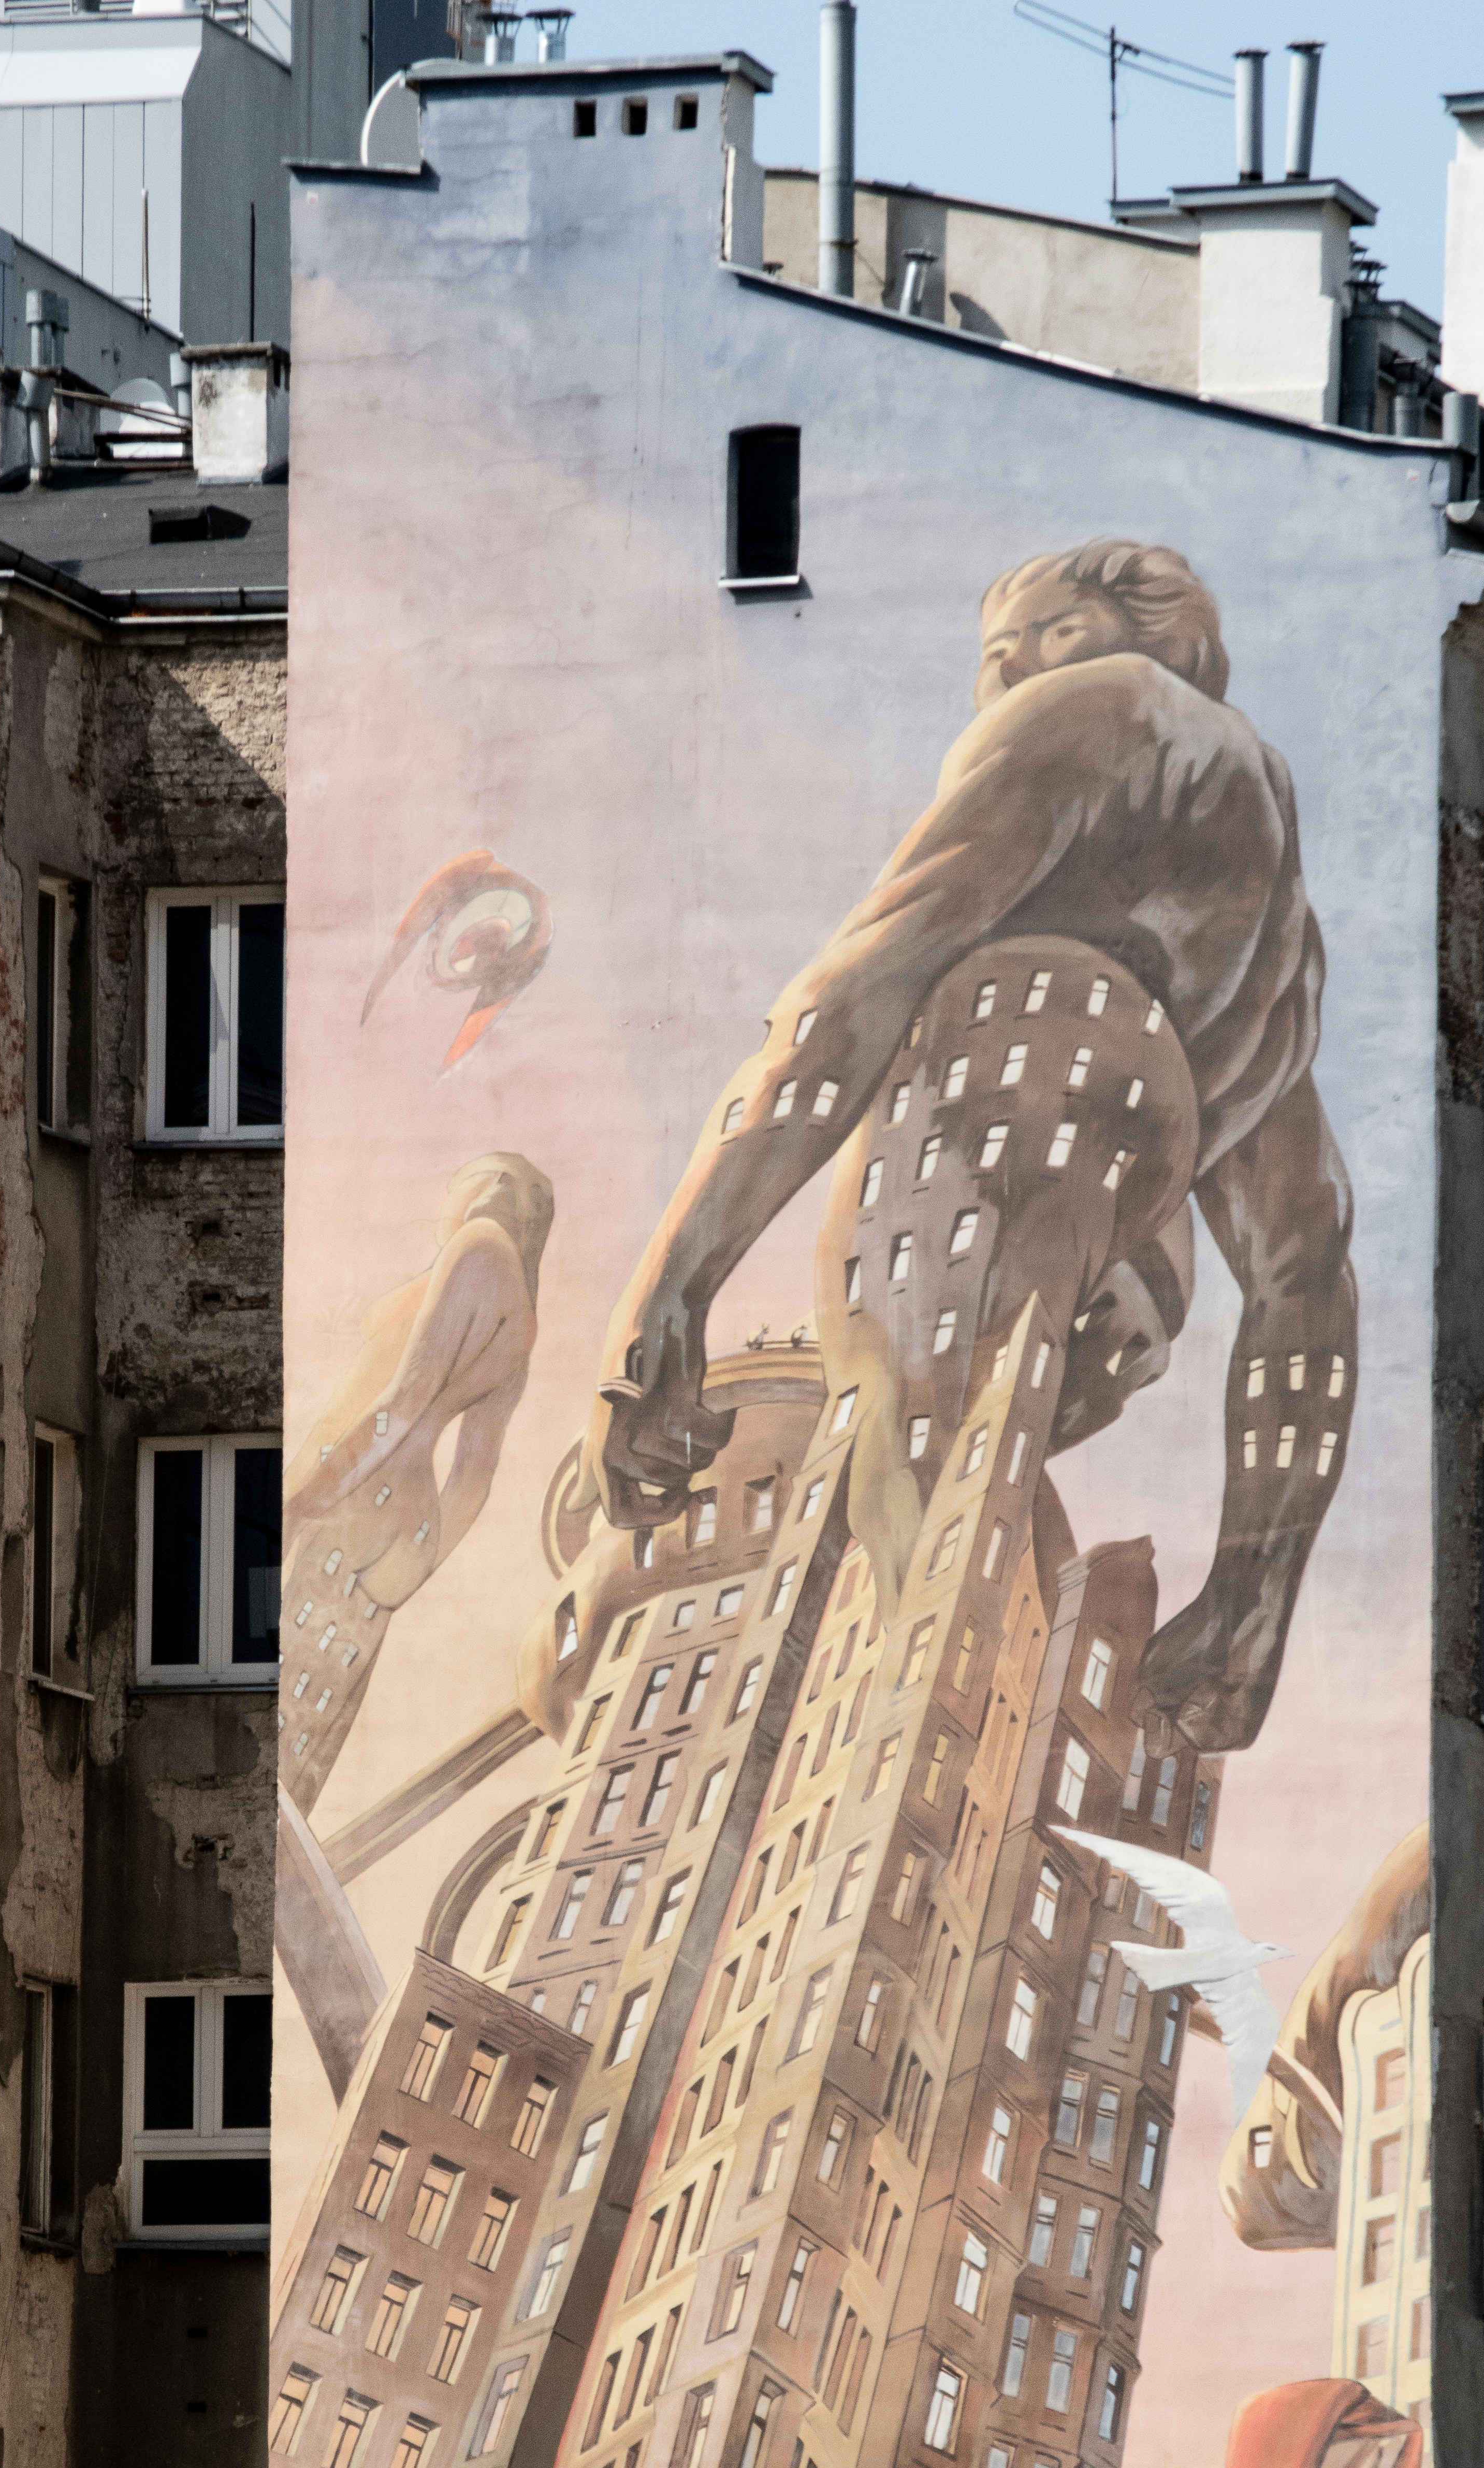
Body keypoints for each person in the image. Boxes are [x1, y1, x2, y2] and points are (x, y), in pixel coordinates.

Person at [581, 541, 1357, 1754]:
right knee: (950, 1550)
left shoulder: (1103, 709)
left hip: (992, 1119)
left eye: (1007, 652)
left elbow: (852, 992)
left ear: (1086, 632)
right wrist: (1254, 1590)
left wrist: (666, 1293)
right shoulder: (1279, 937)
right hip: (1125, 1287)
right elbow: (1301, 1272)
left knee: (894, 1575)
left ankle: (859, 1791)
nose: (991, 689)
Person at [278, 1150, 555, 1809]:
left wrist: (301, 1501)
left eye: (454, 1181)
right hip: (394, 1516)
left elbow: (403, 1400)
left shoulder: (479, 1247)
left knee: (282, 1694)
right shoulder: (520, 1309)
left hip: (358, 1498)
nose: (445, 1199)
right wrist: (420, 1559)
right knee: (311, 1708)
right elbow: (472, 1480)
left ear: (483, 1189)